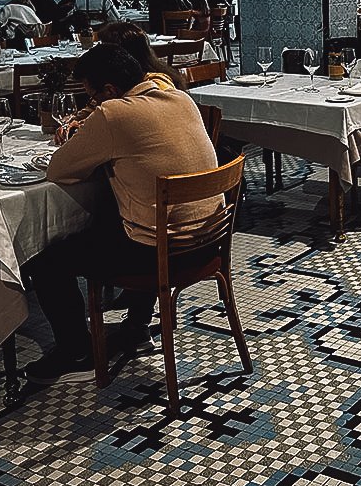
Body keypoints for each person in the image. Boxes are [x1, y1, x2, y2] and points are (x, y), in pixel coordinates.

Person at [25, 45, 221, 383]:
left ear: (110, 91)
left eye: (92, 96)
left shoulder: (114, 113)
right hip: (208, 241)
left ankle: (77, 352)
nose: (92, 104)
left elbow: (60, 170)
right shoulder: (179, 98)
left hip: (161, 253)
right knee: (119, 216)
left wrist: (84, 135)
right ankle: (135, 328)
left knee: (44, 260)